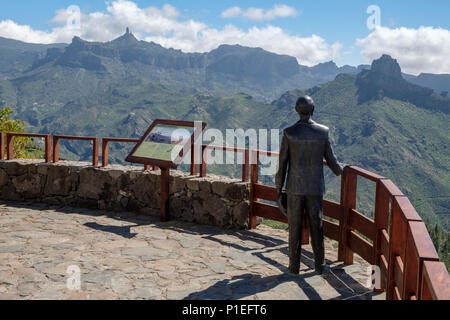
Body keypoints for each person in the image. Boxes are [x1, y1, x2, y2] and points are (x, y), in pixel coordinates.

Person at [275, 96, 345, 275]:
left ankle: (294, 266)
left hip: (294, 188)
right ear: (313, 110)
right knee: (317, 226)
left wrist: (278, 190)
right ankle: (320, 265)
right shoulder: (323, 132)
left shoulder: (289, 133)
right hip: (314, 188)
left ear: (297, 110)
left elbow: (282, 164)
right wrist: (343, 170)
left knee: (294, 226)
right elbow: (332, 162)